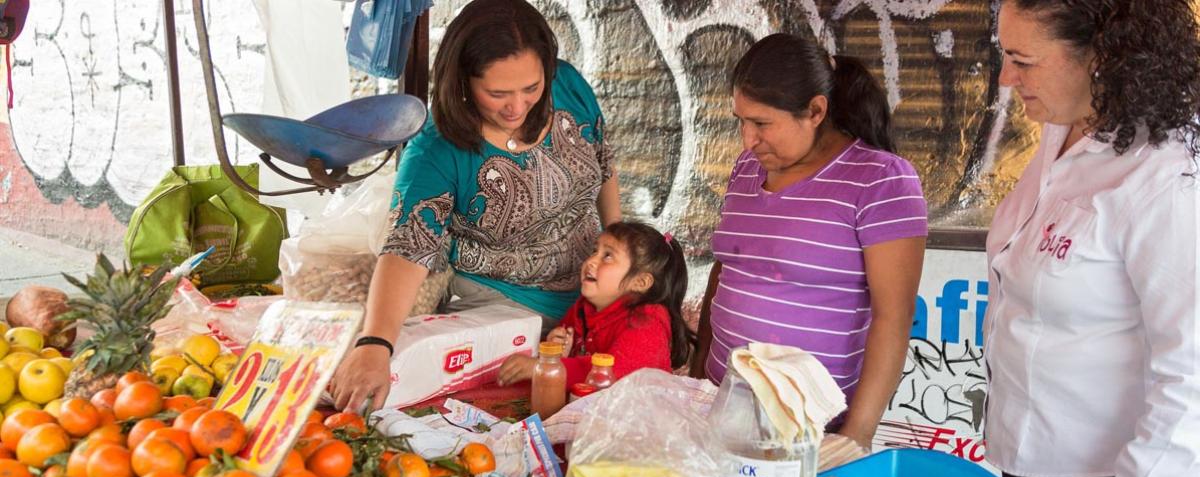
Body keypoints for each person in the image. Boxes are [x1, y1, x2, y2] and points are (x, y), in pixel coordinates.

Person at [985, 1, 1200, 477]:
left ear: (1102, 57)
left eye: (1022, 60)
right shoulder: (1065, 130)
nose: (1006, 79)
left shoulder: (1167, 176)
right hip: (1036, 459)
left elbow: (1195, 372)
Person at [330, 0, 619, 410]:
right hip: (505, 310)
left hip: (593, 295)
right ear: (462, 81)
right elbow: (408, 247)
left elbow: (605, 164)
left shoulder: (568, 86)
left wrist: (620, 248)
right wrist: (375, 342)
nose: (517, 107)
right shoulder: (436, 148)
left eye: (531, 89)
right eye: (497, 93)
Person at [690, 33, 928, 450]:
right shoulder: (747, 168)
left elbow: (894, 316)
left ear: (816, 110)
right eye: (740, 121)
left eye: (762, 123)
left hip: (810, 429)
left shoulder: (881, 180)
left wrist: (855, 436)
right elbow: (726, 269)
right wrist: (697, 374)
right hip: (721, 404)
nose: (748, 140)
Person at [496, 221, 693, 392]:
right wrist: (555, 351)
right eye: (594, 251)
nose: (591, 261)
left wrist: (546, 367)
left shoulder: (646, 322)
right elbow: (570, 362)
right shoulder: (584, 307)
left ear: (639, 282)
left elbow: (611, 376)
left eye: (607, 256)